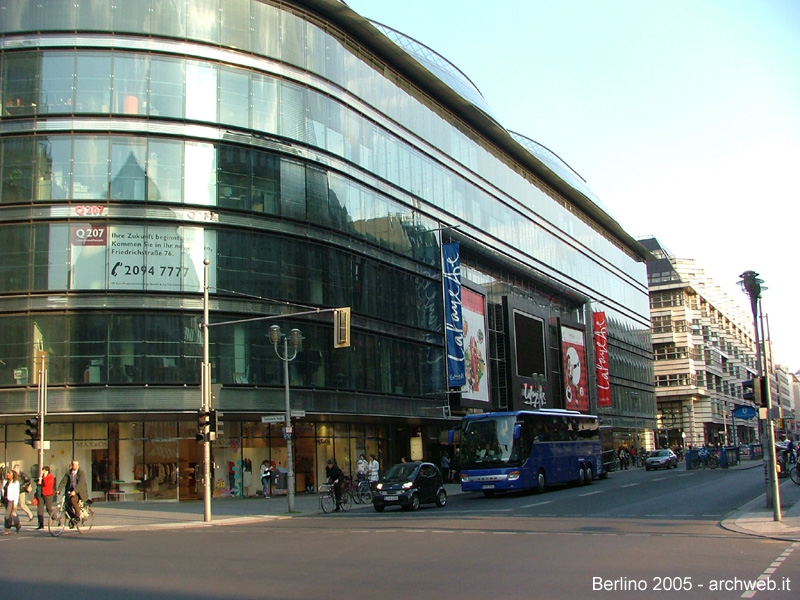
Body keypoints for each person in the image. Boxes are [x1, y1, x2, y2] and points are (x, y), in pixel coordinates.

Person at [59, 459, 89, 525]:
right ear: (71, 466)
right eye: (74, 465)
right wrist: (58, 490)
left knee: (73, 500)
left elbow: (81, 483)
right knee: (66, 505)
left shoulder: (81, 473)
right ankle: (73, 518)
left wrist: (75, 491)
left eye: (77, 465)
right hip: (71, 491)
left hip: (79, 492)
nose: (76, 466)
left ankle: (78, 515)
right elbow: (64, 481)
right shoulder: (69, 473)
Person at [35, 465, 56, 530]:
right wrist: (39, 481)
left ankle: (55, 517)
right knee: (40, 509)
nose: (42, 472)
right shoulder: (42, 477)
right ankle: (40, 524)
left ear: (46, 471)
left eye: (43, 470)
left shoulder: (50, 477)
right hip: (41, 494)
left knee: (48, 508)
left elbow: (47, 484)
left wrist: (43, 478)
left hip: (48, 494)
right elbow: (38, 484)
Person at [3, 468, 21, 535]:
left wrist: (15, 504)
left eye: (9, 473)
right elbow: (3, 490)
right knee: (12, 514)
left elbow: (16, 493)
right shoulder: (5, 481)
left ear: (13, 475)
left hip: (11, 499)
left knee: (7, 514)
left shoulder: (16, 483)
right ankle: (17, 525)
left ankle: (7, 529)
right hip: (6, 499)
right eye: (8, 473)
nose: (8, 474)